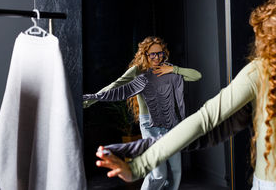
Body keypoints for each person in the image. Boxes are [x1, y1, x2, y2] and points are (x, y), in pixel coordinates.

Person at [95, 0, 276, 190]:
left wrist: (139, 165)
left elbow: (204, 120)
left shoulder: (262, 69)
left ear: (274, 36)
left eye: (262, 35)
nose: (260, 43)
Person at [84, 36, 202, 190]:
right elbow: (115, 85)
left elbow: (196, 75)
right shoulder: (137, 71)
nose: (157, 57)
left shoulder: (168, 68)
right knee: (158, 173)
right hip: (150, 125)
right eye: (152, 54)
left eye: (160, 53)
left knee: (175, 171)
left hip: (171, 124)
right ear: (145, 54)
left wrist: (174, 69)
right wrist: (94, 98)